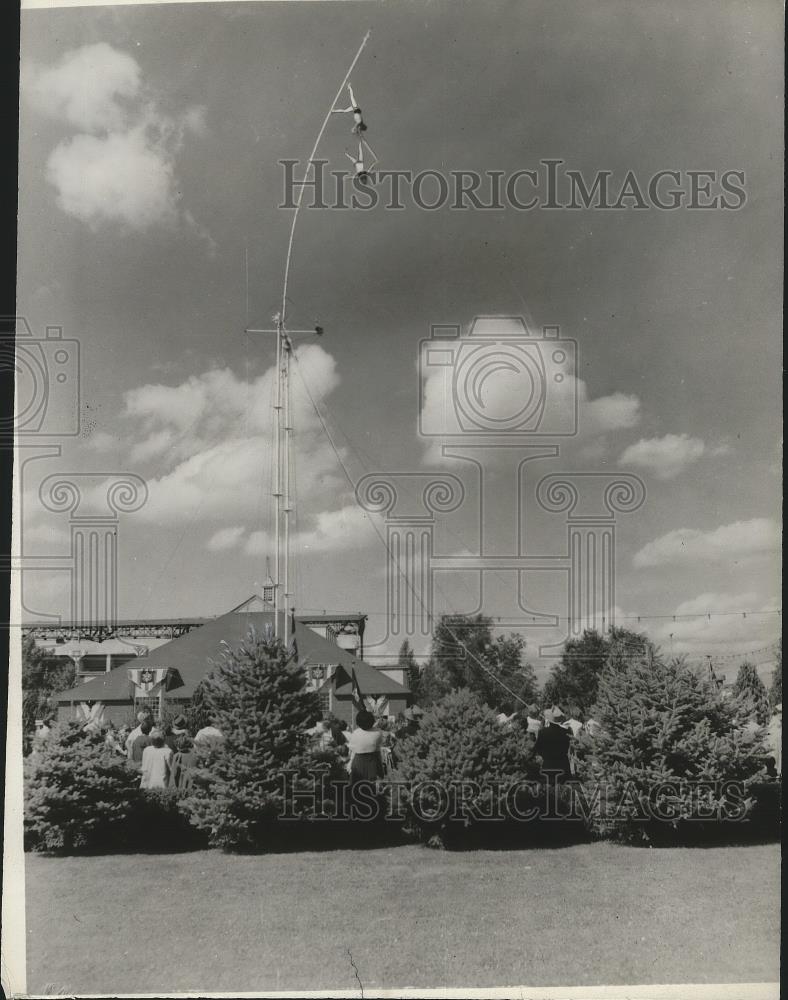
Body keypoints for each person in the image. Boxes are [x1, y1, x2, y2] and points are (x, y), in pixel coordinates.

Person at [533, 707, 572, 782]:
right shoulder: (566, 732)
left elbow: (537, 748)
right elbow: (568, 747)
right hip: (563, 765)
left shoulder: (542, 732)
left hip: (548, 765)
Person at [345, 710, 384, 783]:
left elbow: (352, 750)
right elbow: (379, 747)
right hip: (373, 761)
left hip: (359, 761)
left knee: (357, 785)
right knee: (372, 785)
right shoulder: (378, 732)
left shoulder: (356, 733)